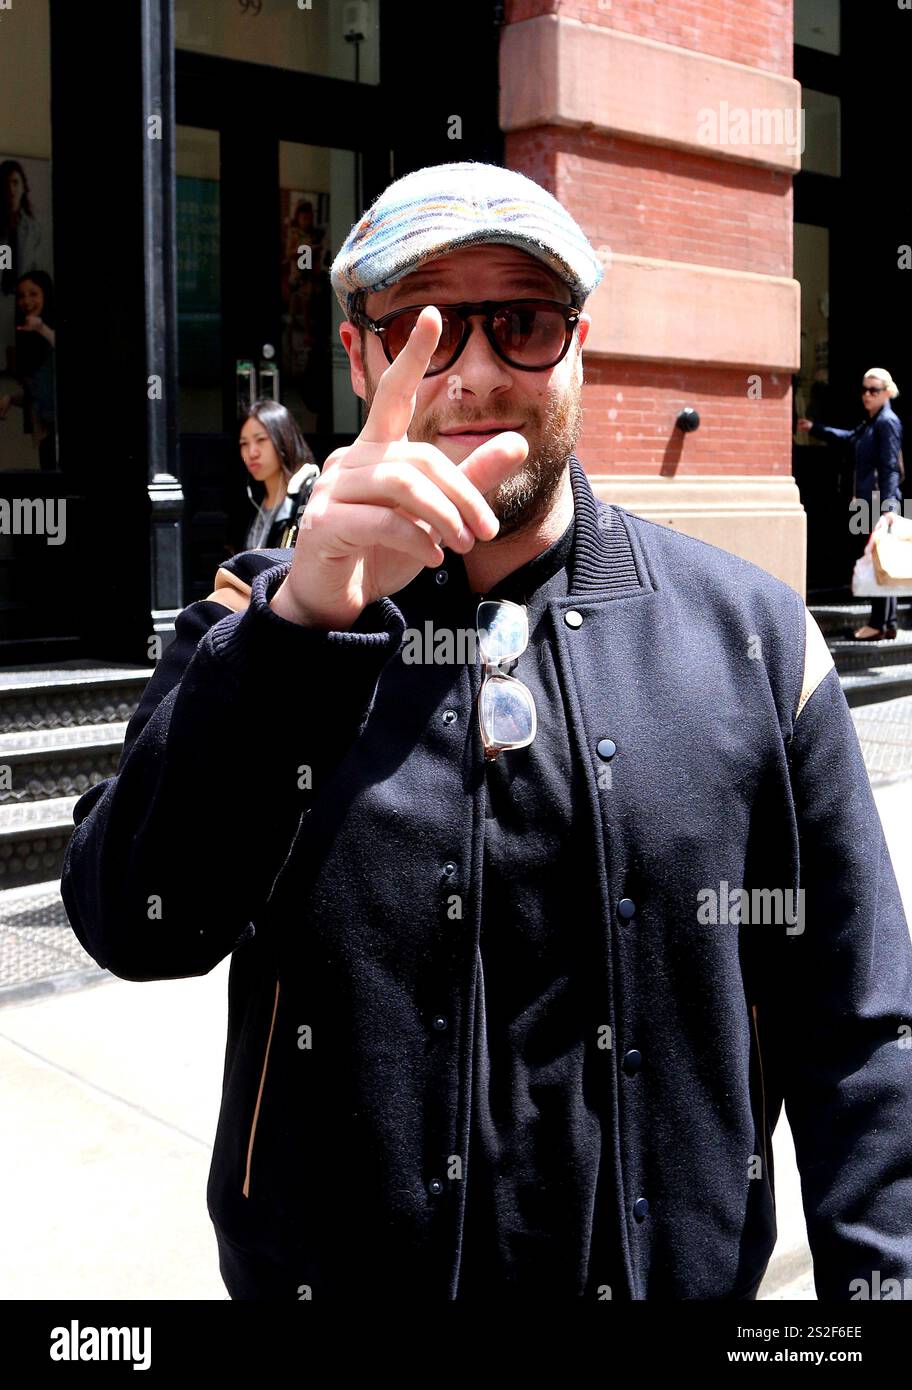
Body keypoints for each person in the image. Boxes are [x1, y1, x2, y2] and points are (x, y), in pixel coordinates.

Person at [61, 161, 912, 1302]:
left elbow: (861, 1033)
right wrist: (301, 623)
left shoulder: (752, 636)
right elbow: (134, 920)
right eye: (422, 327)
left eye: (519, 323)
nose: (470, 373)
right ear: (361, 357)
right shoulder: (257, 616)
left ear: (578, 346)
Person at [797, 368, 904, 639]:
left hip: (879, 501)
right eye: (864, 389)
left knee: (877, 559)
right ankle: (887, 623)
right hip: (872, 500)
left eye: (874, 390)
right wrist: (815, 429)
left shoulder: (886, 422)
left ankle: (877, 625)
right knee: (881, 559)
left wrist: (890, 507)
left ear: (887, 392)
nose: (867, 395)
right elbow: (848, 439)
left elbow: (890, 466)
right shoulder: (870, 423)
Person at [237, 398, 318, 551]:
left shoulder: (307, 494)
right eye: (244, 443)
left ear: (283, 439)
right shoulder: (251, 498)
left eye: (260, 440)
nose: (251, 452)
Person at [0, 270, 57, 470]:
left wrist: (42, 329)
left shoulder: (48, 330)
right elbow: (38, 390)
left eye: (33, 294)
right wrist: (12, 399)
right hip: (45, 432)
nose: (26, 301)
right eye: (21, 296)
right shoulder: (27, 336)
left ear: (46, 295)